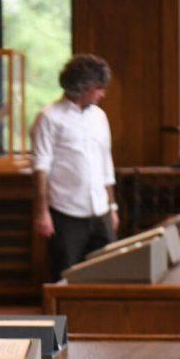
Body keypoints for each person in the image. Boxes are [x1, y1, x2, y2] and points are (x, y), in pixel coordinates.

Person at [31, 54, 119, 280]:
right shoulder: (48, 117)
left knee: (109, 275)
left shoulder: (100, 116)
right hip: (65, 212)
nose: (103, 94)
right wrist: (42, 213)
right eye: (99, 88)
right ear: (84, 87)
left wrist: (113, 207)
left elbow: (106, 164)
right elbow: (41, 167)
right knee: (65, 277)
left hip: (101, 211)